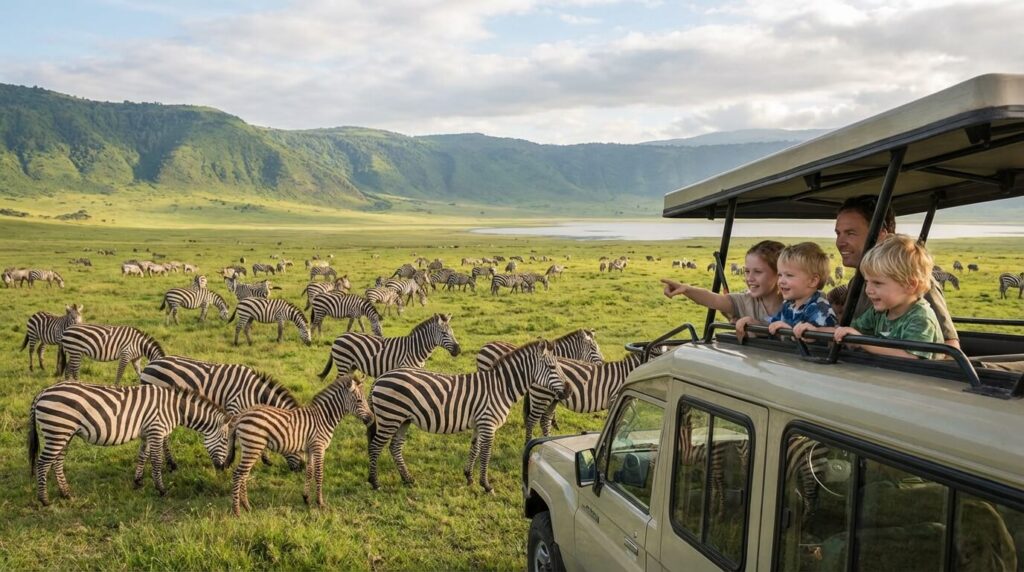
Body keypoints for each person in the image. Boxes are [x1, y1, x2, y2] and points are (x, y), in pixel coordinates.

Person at [833, 195, 959, 348]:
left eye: (850, 233)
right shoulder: (856, 283)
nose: (839, 242)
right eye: (838, 234)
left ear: (880, 234)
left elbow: (950, 347)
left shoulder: (914, 282)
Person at [797, 235, 942, 359]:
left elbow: (910, 357)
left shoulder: (921, 317)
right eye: (867, 282)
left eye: (877, 283)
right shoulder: (879, 312)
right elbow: (848, 331)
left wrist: (862, 342)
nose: (868, 290)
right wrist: (815, 332)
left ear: (910, 285)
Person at [661, 240, 784, 322]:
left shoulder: (793, 306)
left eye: (758, 272)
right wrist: (686, 289)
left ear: (779, 274)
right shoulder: (745, 301)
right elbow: (713, 299)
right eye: (747, 271)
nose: (749, 278)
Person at [735, 242, 836, 338]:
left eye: (789, 275)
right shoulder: (788, 305)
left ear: (813, 281)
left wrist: (810, 333)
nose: (781, 281)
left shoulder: (819, 307)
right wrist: (754, 324)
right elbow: (773, 327)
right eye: (780, 275)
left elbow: (829, 338)